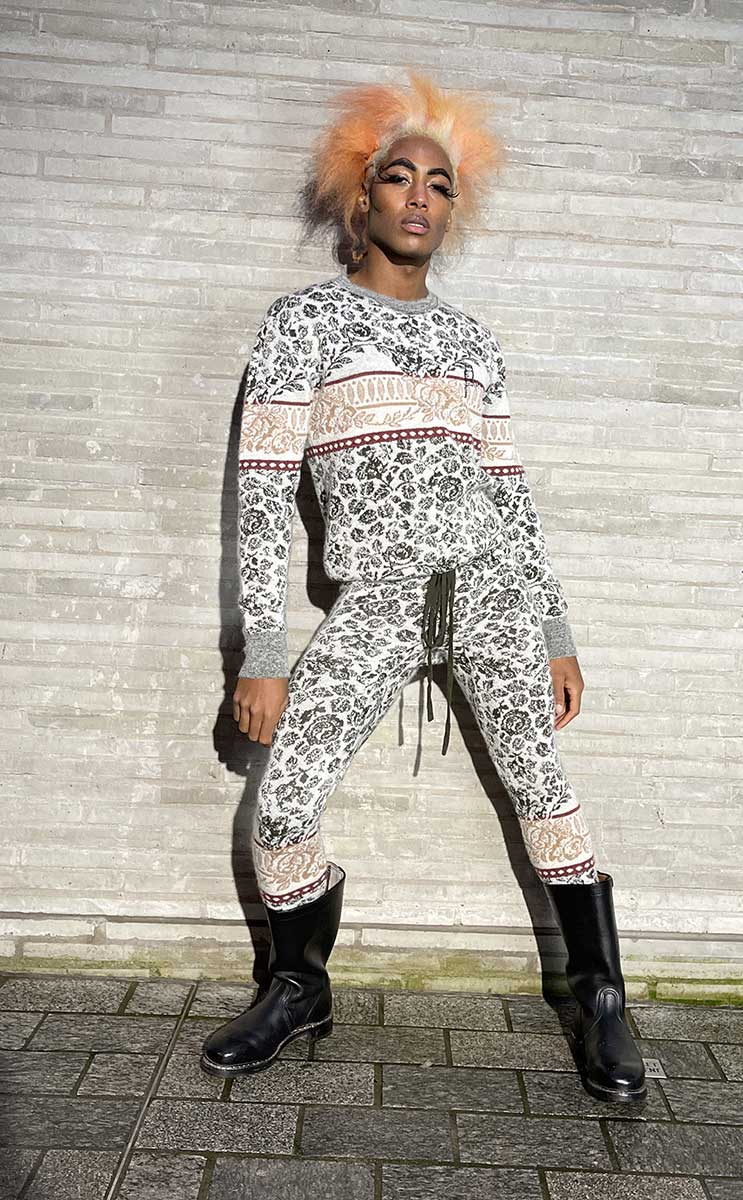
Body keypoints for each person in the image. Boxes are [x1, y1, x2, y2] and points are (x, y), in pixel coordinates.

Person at [200, 70, 646, 1104]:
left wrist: (553, 627)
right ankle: (298, 984)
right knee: (285, 797)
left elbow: (510, 493)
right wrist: (263, 651)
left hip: (491, 592)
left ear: (451, 209)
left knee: (544, 786)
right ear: (362, 194)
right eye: (400, 177)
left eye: (440, 185)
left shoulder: (471, 341)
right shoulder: (302, 324)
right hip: (380, 598)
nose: (419, 197)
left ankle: (602, 995)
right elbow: (262, 494)